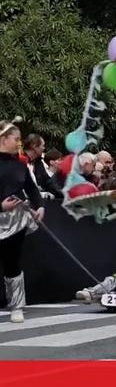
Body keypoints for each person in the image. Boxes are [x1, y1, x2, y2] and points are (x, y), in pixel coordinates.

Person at [0, 121, 45, 323]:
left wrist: (40, 205)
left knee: (12, 261)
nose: (19, 143)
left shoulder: (20, 164)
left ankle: (16, 305)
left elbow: (32, 188)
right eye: (16, 139)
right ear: (3, 139)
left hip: (15, 219)